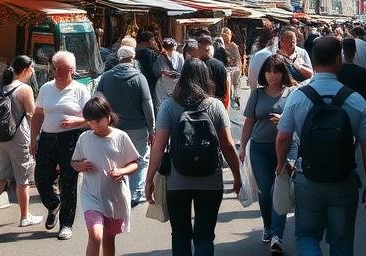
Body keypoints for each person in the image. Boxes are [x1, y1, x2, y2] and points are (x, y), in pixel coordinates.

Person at [275, 37, 366, 256]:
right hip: (343, 179)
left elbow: (283, 137)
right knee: (341, 240)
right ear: (338, 59)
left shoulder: (297, 96)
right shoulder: (355, 100)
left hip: (307, 177)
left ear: (313, 60)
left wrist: (281, 166)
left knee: (306, 236)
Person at [145, 59, 241, 256]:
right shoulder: (215, 106)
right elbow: (228, 146)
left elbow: (158, 146)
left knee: (180, 235)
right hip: (210, 180)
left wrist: (149, 179)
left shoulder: (169, 106)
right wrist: (237, 176)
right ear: (206, 78)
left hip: (177, 181)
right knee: (205, 235)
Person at [31, 50, 92, 241]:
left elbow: (91, 119)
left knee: (68, 182)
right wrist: (33, 138)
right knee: (41, 177)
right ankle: (53, 204)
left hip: (71, 139)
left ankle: (66, 224)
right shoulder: (46, 88)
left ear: (72, 70)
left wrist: (76, 121)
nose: (56, 72)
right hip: (48, 138)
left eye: (61, 69)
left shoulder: (80, 90)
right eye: (54, 67)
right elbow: (38, 114)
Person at [71, 95, 141, 256]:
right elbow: (74, 162)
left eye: (98, 120)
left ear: (108, 117)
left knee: (109, 240)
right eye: (91, 122)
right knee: (95, 236)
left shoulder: (120, 137)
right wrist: (80, 166)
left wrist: (122, 171)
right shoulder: (84, 138)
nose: (94, 125)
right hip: (91, 195)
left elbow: (134, 164)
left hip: (115, 198)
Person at [0, 56, 42, 228]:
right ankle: (24, 217)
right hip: (18, 138)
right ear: (26, 70)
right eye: (32, 69)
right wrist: (35, 138)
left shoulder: (0, 87)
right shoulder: (24, 89)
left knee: (1, 176)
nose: (33, 73)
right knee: (23, 178)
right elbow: (32, 115)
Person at [239, 55, 293, 253]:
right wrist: (242, 147)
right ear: (264, 73)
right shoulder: (257, 94)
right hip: (260, 148)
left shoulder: (291, 93)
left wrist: (284, 119)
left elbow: (297, 120)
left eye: (277, 71)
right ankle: (268, 226)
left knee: (278, 190)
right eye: (269, 71)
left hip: (285, 148)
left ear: (283, 73)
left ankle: (277, 234)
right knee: (265, 191)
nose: (273, 75)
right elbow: (248, 123)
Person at [93, 45, 154, 206]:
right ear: (132, 59)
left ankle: (116, 190)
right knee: (139, 159)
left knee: (116, 158)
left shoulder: (106, 77)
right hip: (137, 127)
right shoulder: (140, 78)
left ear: (119, 58)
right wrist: (151, 127)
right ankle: (135, 192)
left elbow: (97, 99)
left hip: (114, 127)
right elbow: (147, 104)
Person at [194, 35, 230, 108]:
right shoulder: (220, 64)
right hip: (219, 104)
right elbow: (226, 88)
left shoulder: (198, 66)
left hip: (204, 105)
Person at [336, 37, 366, 103]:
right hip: (359, 105)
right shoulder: (362, 72)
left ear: (343, 51)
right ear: (355, 51)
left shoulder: (336, 72)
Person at [246, 28, 277, 97]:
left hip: (260, 91)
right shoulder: (275, 53)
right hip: (275, 91)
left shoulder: (257, 55)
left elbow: (252, 77)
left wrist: (254, 93)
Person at [135, 32, 162, 110]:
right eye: (153, 40)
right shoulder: (147, 53)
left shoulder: (134, 51)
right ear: (150, 41)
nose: (155, 42)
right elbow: (155, 71)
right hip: (149, 85)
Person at [155, 38, 184, 106]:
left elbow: (156, 73)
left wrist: (168, 73)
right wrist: (162, 72)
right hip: (165, 86)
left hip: (173, 85)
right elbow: (156, 72)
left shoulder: (180, 57)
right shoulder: (161, 57)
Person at [221, 28, 243, 108]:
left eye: (227, 35)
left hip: (232, 68)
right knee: (233, 85)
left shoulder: (233, 46)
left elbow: (238, 58)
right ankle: (233, 98)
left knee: (234, 84)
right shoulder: (223, 46)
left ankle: (234, 98)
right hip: (230, 68)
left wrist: (239, 67)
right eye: (224, 36)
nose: (226, 37)